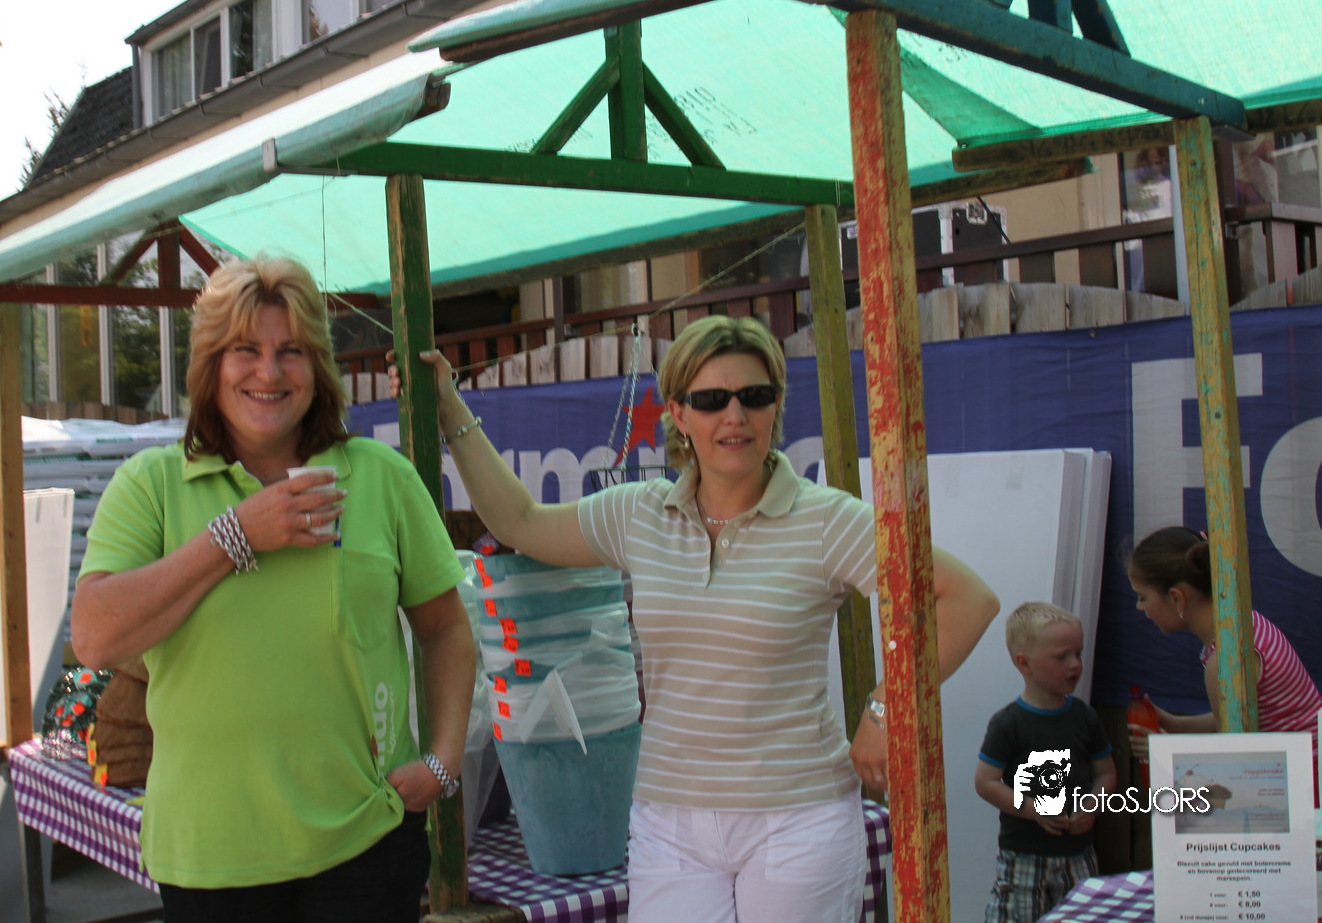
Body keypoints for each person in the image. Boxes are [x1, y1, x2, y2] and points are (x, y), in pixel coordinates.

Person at [390, 314, 998, 923]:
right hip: (669, 826)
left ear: (775, 407)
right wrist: (449, 410)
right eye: (712, 400)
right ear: (679, 414)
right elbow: (519, 522)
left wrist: (888, 706)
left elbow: (967, 599)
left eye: (754, 396)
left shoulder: (824, 519)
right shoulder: (640, 514)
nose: (735, 416)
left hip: (798, 819)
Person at [72, 255, 474, 923]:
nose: (269, 372)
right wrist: (234, 535)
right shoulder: (151, 485)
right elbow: (93, 637)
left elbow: (445, 627)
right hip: (210, 859)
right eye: (244, 350)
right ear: (210, 367)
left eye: (291, 350)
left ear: (318, 366)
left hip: (365, 846)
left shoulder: (381, 477)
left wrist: (444, 759)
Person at [1124, 525, 1322, 789]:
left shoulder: (1224, 661)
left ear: (1176, 597)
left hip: (1305, 785)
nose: (1139, 607)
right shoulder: (1246, 621)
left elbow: (1233, 759)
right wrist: (1174, 724)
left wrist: (1163, 750)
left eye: (1142, 597)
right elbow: (1237, 719)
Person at [975, 602, 1116, 923]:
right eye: (1062, 656)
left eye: (1078, 653)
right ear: (1024, 663)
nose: (1075, 664)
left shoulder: (1085, 717)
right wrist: (1033, 810)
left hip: (1079, 854)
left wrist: (1093, 805)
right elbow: (986, 782)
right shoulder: (1008, 723)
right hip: (1024, 856)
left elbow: (1106, 772)